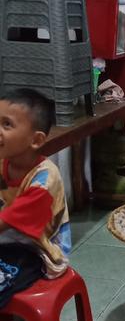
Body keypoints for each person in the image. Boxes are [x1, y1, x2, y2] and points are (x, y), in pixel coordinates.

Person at [0, 87, 71, 306]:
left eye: (7, 124)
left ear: (36, 140)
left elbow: (5, 222)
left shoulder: (44, 181)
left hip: (37, 252)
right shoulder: (4, 162)